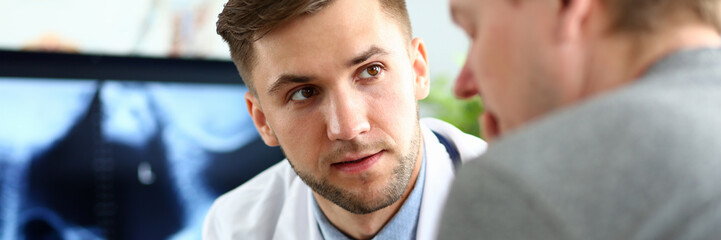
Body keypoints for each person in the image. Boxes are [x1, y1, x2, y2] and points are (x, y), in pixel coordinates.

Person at [202, 0, 487, 239]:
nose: (349, 128)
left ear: (418, 72)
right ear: (263, 121)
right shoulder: (232, 228)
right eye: (304, 93)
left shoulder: (523, 208)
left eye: (371, 71)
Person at [440, 0, 721, 239]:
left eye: (473, 30)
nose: (463, 85)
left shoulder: (519, 185)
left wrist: (515, 175)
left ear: (566, 6)